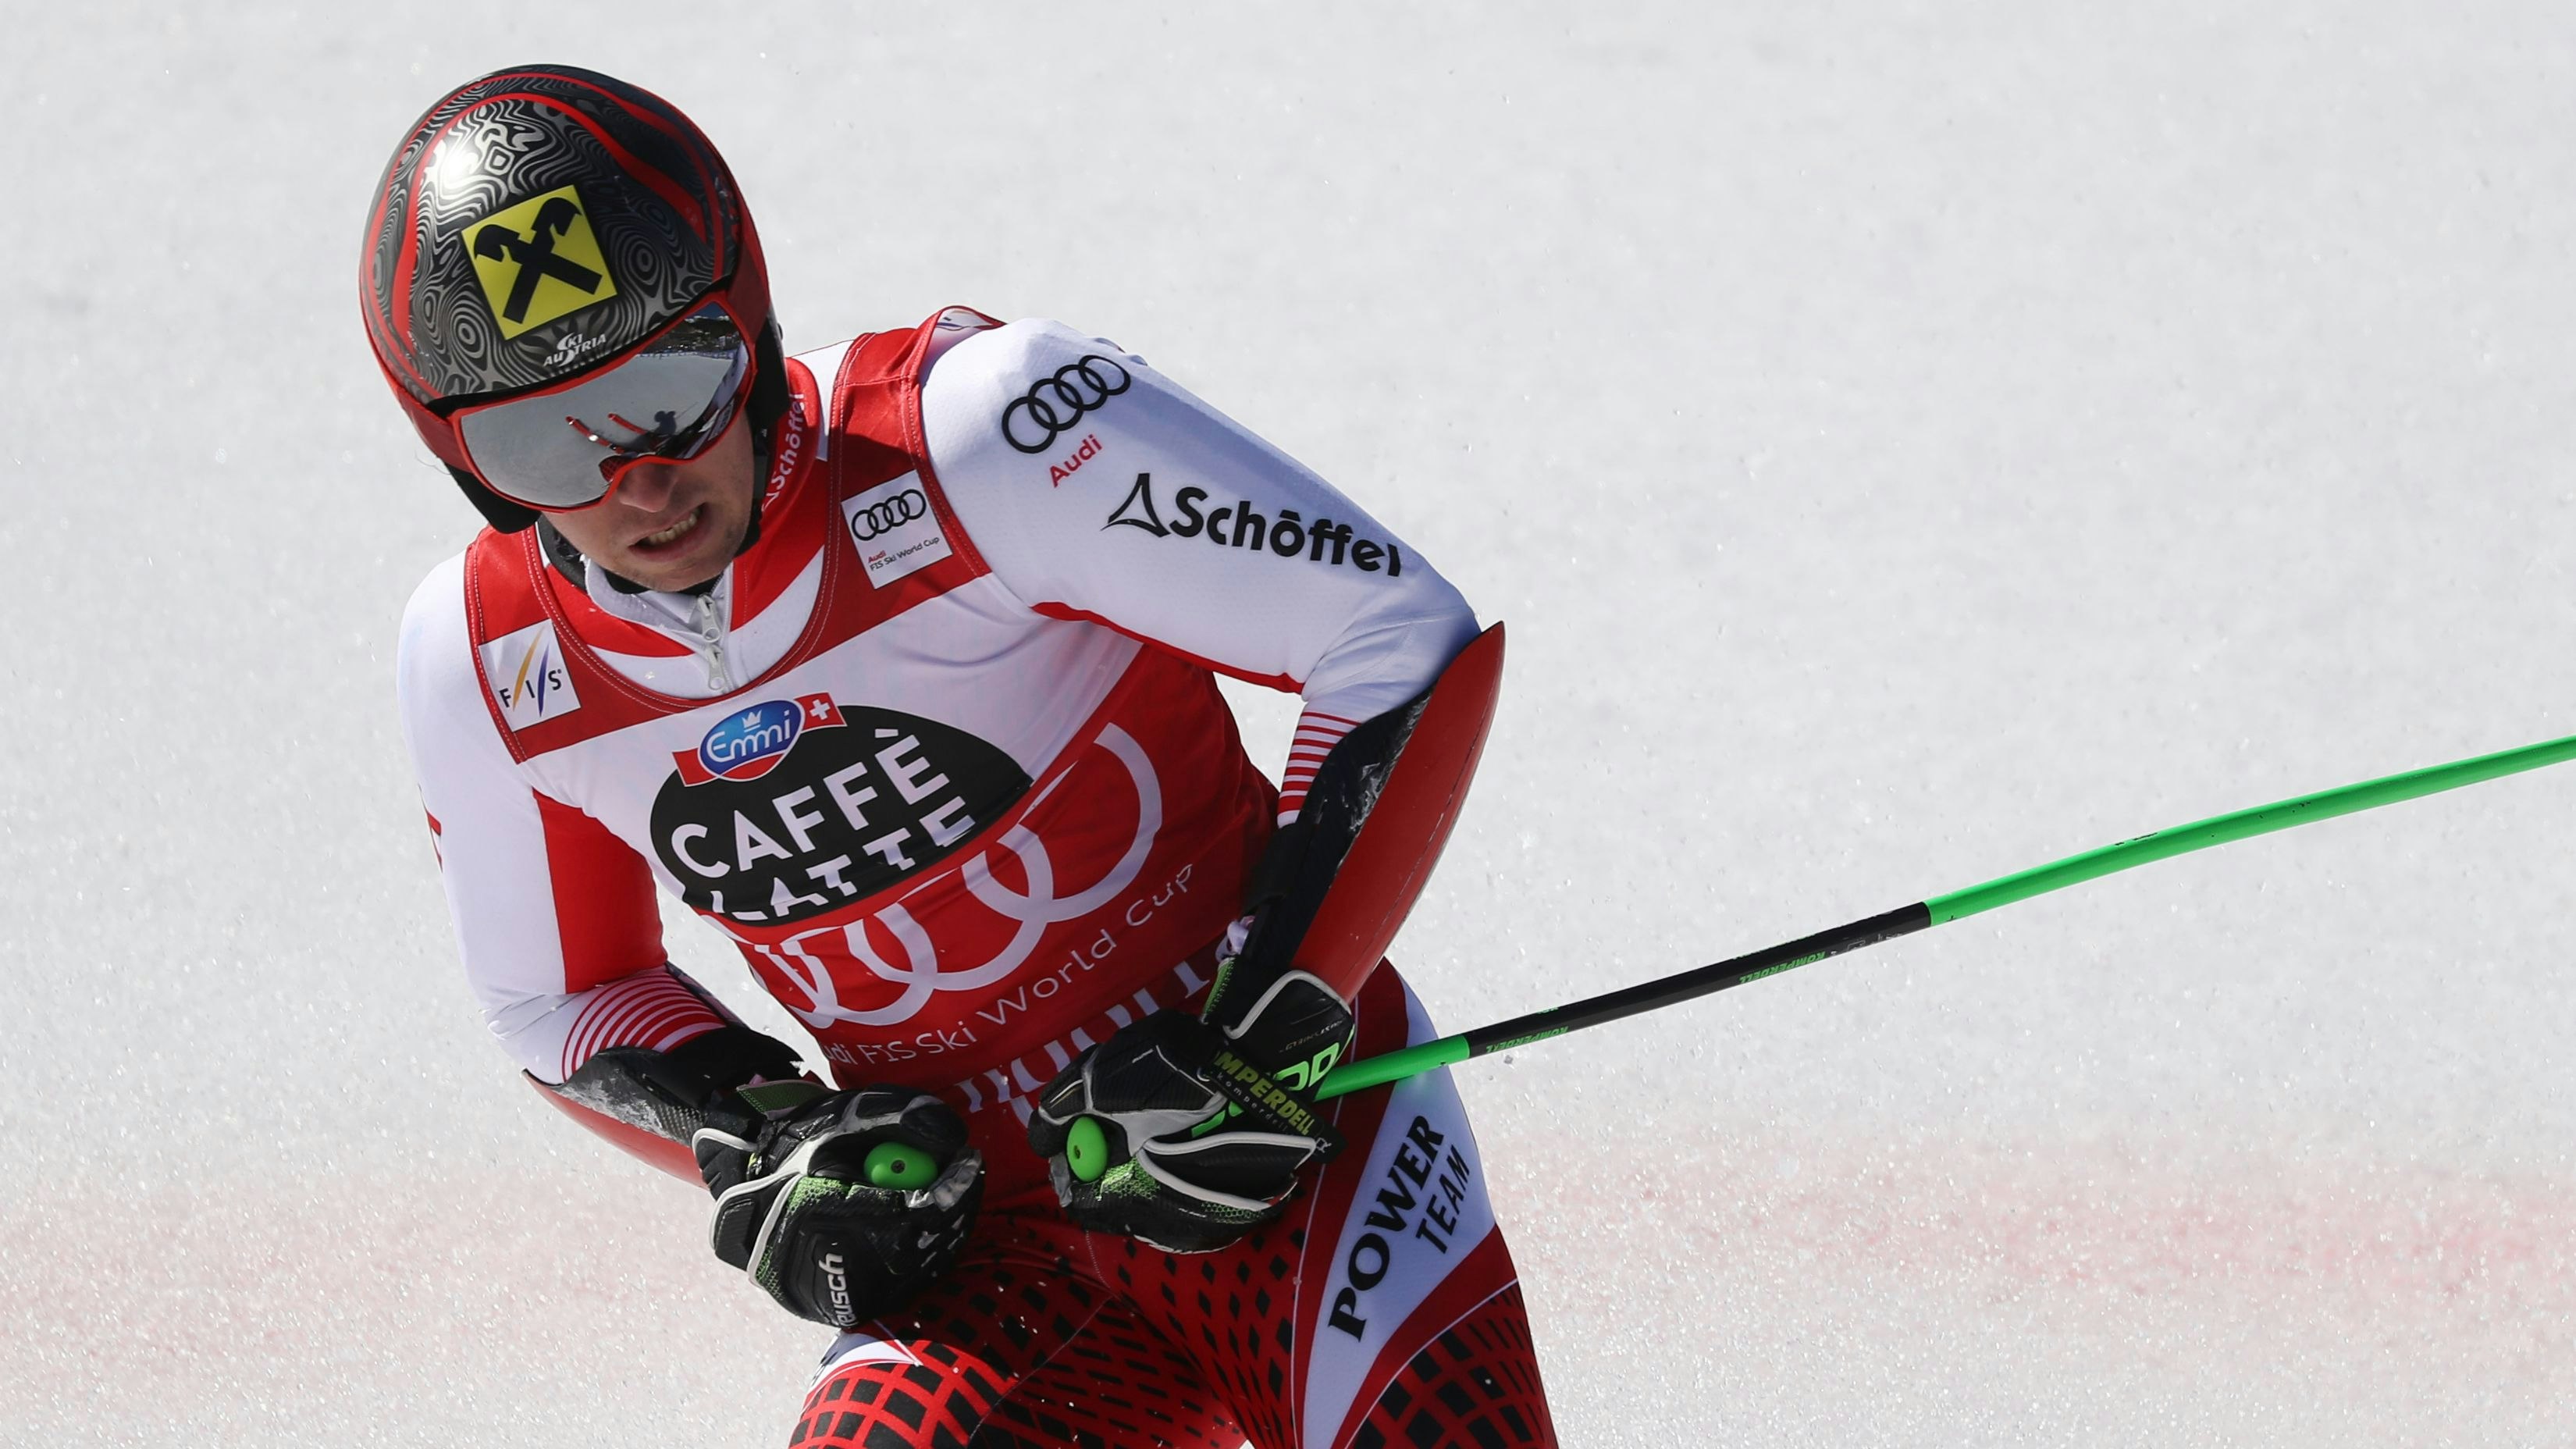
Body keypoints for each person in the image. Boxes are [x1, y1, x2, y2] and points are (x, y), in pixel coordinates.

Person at [370, 64, 1557, 1449]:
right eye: (543, 439)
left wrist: (1270, 1026)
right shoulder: (481, 661)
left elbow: (1392, 637)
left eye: (673, 389)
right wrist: (758, 1132)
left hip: (1289, 1159)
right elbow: (561, 1002)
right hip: (981, 1254)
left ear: (748, 325)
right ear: (459, 456)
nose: (637, 479)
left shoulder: (981, 433)